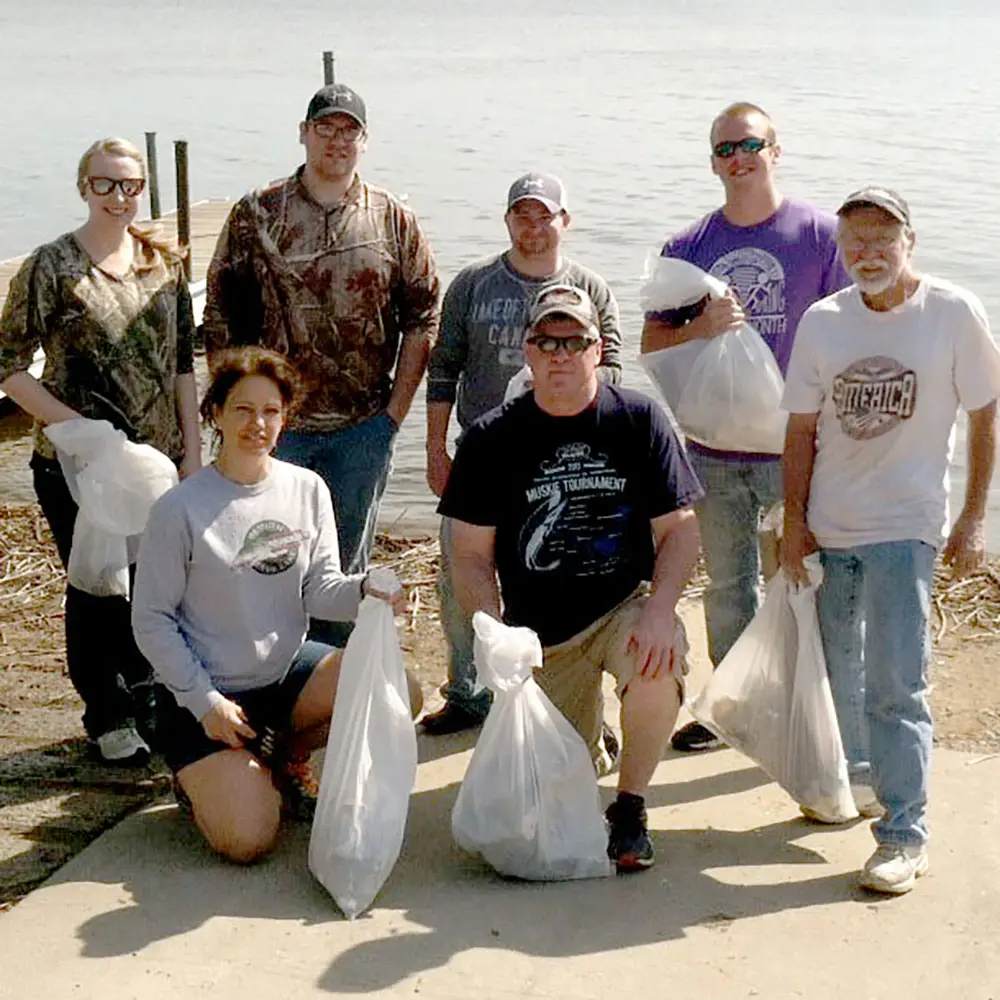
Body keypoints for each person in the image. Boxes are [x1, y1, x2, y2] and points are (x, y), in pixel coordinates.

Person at [439, 285, 702, 872]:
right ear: (527, 352)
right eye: (547, 341)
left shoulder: (638, 418)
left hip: (620, 606)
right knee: (545, 803)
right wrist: (495, 634)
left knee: (657, 666)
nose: (561, 354)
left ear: (598, 350)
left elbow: (681, 532)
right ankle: (593, 741)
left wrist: (660, 612)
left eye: (575, 341)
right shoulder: (489, 438)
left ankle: (631, 807)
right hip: (542, 634)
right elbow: (471, 557)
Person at [781, 187, 1000, 894]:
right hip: (830, 524)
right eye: (854, 243)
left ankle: (905, 835)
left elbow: (984, 416)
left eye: (882, 239)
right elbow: (799, 431)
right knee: (839, 674)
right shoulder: (823, 321)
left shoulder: (952, 313)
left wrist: (970, 519)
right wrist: (794, 524)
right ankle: (863, 780)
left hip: (906, 528)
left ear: (911, 241)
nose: (868, 254)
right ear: (840, 250)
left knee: (898, 686)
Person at [131, 347, 420, 864]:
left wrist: (366, 590)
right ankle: (200, 776)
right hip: (206, 697)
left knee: (400, 690)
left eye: (270, 411)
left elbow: (321, 589)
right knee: (248, 841)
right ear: (215, 414)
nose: (257, 424)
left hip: (286, 677)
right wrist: (203, 702)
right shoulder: (180, 508)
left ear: (286, 417)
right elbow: (150, 619)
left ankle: (282, 755)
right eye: (242, 409)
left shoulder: (306, 489)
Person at [641, 101, 849, 753]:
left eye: (750, 146)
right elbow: (652, 338)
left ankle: (814, 708)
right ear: (712, 162)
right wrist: (700, 327)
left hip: (796, 448)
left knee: (805, 581)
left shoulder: (820, 235)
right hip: (712, 450)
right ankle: (731, 709)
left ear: (775, 151)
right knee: (728, 587)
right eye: (725, 149)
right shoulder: (688, 246)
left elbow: (855, 331)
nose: (738, 159)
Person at [202, 83, 440, 646]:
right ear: (304, 133)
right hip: (273, 433)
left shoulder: (392, 218)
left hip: (361, 430)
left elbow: (424, 315)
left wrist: (393, 416)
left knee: (342, 569)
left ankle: (332, 687)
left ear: (364, 140)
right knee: (265, 563)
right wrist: (234, 416)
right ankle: (267, 679)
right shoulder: (257, 213)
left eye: (348, 130)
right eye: (325, 128)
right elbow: (219, 316)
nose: (337, 140)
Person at [0, 137, 201, 765]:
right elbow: (7, 365)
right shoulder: (51, 266)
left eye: (130, 185)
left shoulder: (163, 264)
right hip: (76, 466)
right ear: (83, 186)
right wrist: (81, 430)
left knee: (156, 585)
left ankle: (146, 696)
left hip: (158, 464)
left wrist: (193, 450)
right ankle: (106, 713)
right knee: (96, 589)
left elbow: (181, 367)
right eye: (105, 184)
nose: (119, 197)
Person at [422, 171, 623, 735]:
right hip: (482, 459)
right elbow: (444, 369)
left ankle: (583, 707)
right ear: (508, 220)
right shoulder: (473, 283)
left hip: (567, 467)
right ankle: (468, 693)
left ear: (565, 221)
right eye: (522, 215)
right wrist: (437, 452)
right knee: (461, 580)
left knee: (571, 585)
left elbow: (613, 373)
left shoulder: (592, 287)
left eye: (545, 215)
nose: (534, 227)